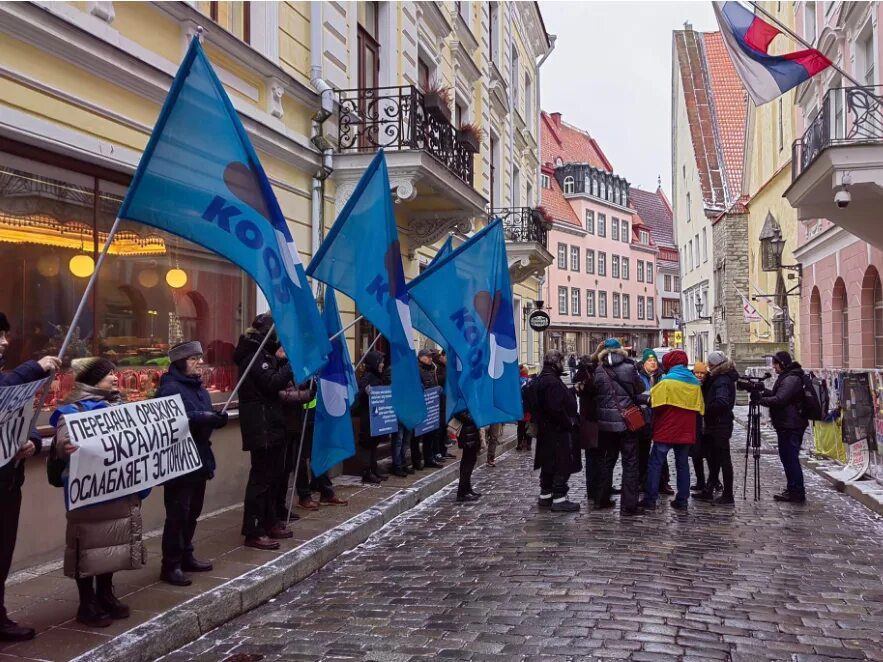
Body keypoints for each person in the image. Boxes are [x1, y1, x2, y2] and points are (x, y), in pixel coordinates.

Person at [50, 358, 147, 628]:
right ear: (92, 380)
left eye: (114, 373)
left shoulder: (120, 406)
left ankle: (106, 594)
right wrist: (67, 445)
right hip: (90, 495)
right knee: (87, 546)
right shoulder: (73, 409)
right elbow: (62, 438)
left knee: (113, 543)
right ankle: (86, 602)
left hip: (117, 490)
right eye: (108, 375)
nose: (115, 378)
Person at [0, 312, 60, 641]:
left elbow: (22, 421)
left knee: (3, 554)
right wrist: (33, 369)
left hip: (8, 482)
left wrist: (32, 443)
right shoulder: (11, 379)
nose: (5, 342)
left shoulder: (7, 376)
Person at [155, 341, 228, 587]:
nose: (199, 362)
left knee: (193, 512)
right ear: (180, 362)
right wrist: (202, 418)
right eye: (193, 358)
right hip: (178, 460)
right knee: (178, 513)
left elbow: (202, 416)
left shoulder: (199, 389)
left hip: (199, 457)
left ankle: (186, 554)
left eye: (200, 357)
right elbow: (170, 421)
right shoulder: (169, 388)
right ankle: (171, 564)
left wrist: (216, 419)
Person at [234, 314, 297, 550]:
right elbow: (271, 383)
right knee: (260, 480)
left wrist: (280, 363)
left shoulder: (264, 354)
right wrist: (290, 364)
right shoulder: (252, 355)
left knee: (273, 477)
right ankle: (254, 529)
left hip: (271, 423)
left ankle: (270, 521)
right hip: (261, 426)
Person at [641, 350, 704, 512]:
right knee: (682, 464)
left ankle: (650, 499)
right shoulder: (695, 384)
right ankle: (682, 499)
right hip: (686, 431)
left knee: (656, 463)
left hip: (666, 429)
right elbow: (699, 409)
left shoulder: (666, 382)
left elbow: (656, 404)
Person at [594, 339, 647, 515]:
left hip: (605, 425)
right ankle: (628, 505)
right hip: (626, 423)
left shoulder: (599, 370)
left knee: (606, 461)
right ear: (620, 350)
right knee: (630, 462)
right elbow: (638, 389)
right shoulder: (629, 367)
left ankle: (601, 499)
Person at [758, 351, 808, 504]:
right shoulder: (787, 377)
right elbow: (777, 395)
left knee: (790, 458)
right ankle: (792, 488)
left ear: (783, 363)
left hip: (791, 425)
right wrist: (760, 390)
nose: (773, 367)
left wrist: (760, 399)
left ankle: (797, 492)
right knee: (786, 458)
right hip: (786, 423)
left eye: (775, 363)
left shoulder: (791, 378)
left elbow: (780, 399)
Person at [534, 350, 581, 512]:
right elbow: (555, 407)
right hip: (557, 431)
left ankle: (545, 496)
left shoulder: (545, 378)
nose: (564, 364)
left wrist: (572, 391)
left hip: (548, 431)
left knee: (548, 464)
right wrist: (568, 422)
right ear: (556, 362)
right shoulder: (551, 381)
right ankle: (559, 499)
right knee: (561, 464)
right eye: (562, 361)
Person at [694, 351, 737, 505]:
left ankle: (728, 494)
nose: (708, 368)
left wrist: (705, 409)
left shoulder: (722, 380)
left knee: (723, 459)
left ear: (716, 365)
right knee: (714, 459)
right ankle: (709, 489)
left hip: (720, 424)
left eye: (710, 365)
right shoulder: (718, 378)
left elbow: (722, 402)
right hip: (716, 424)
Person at [290, 394, 349, 507]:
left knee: (319, 454)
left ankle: (326, 492)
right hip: (300, 414)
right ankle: (304, 496)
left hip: (315, 412)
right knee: (300, 457)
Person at [637, 349, 671, 495]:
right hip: (643, 419)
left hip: (659, 418)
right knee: (642, 453)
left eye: (654, 360)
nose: (652, 363)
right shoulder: (637, 376)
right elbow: (635, 395)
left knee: (660, 453)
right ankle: (642, 481)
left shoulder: (663, 376)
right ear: (644, 363)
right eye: (649, 361)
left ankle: (664, 482)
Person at [357, 350, 393, 482]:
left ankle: (374, 469)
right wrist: (366, 391)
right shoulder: (367, 376)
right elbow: (359, 395)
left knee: (373, 444)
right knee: (367, 444)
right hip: (367, 418)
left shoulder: (377, 375)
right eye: (380, 362)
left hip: (376, 417)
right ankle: (366, 473)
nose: (383, 364)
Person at [573, 353, 600, 501]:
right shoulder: (585, 377)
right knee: (593, 456)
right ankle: (594, 489)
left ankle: (599, 487)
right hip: (590, 420)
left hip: (590, 420)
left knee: (596, 456)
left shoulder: (585, 376)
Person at [416, 349, 444, 469]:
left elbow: (433, 384)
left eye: (431, 357)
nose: (430, 359)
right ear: (421, 357)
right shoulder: (418, 369)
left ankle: (429, 458)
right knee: (417, 437)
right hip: (421, 407)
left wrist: (437, 388)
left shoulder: (431, 369)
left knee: (431, 434)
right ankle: (417, 460)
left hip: (432, 407)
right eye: (427, 356)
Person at [689, 360, 709, 494]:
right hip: (694, 423)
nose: (699, 375)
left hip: (707, 423)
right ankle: (700, 481)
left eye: (702, 373)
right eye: (697, 372)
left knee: (709, 454)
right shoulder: (690, 383)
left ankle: (714, 481)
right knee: (696, 454)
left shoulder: (709, 384)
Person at [453, 409, 481, 502]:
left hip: (471, 433)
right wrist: (471, 419)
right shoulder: (462, 398)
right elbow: (458, 413)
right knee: (467, 464)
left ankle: (467, 489)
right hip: (467, 434)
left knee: (468, 462)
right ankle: (462, 493)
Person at [517, 365, 534, 452]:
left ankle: (519, 443)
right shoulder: (530, 381)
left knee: (520, 426)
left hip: (519, 407)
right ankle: (528, 444)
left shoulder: (517, 381)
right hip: (528, 408)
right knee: (528, 426)